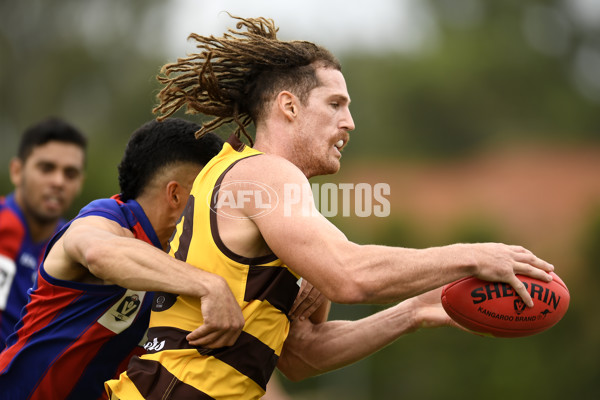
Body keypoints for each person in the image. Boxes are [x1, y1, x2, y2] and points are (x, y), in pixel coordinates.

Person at [107, 16, 555, 399]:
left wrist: (413, 311)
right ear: (289, 106)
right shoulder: (267, 174)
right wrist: (475, 255)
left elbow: (302, 355)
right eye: (336, 104)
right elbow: (350, 274)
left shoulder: (259, 191)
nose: (350, 122)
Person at [0, 118, 246, 400]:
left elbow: (290, 362)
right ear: (176, 195)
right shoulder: (107, 219)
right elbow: (99, 253)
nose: (220, 208)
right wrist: (209, 285)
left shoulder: (185, 261)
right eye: (211, 193)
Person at [0, 117, 86, 350]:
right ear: (17, 171)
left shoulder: (79, 249)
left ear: (80, 183)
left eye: (70, 174)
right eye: (47, 168)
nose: (58, 181)